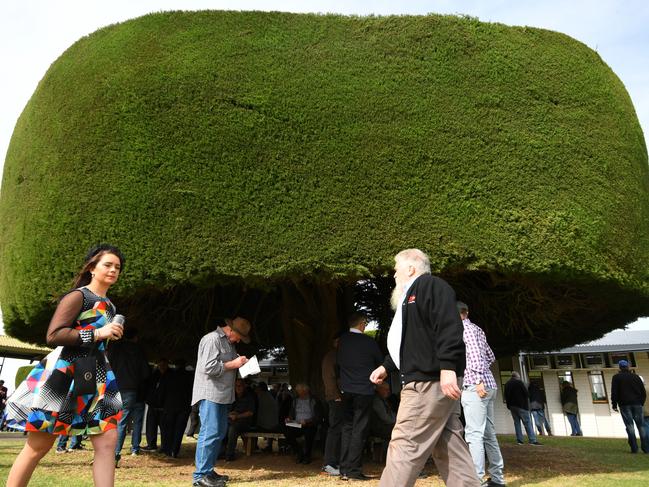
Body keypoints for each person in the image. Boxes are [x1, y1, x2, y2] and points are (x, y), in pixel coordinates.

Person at [4, 244, 125, 487]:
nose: (113, 270)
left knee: (108, 439)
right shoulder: (79, 296)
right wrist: (97, 333)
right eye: (107, 265)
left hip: (98, 374)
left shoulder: (110, 306)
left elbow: (97, 340)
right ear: (92, 267)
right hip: (65, 373)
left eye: (118, 267)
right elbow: (54, 335)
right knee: (39, 445)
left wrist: (106, 336)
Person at [369, 248, 479, 487]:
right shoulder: (410, 297)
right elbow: (413, 340)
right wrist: (387, 366)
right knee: (448, 445)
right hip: (431, 380)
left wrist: (448, 367)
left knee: (405, 443)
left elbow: (449, 326)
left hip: (427, 382)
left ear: (411, 268)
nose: (394, 274)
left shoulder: (430, 286)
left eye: (396, 269)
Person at [191, 317, 251, 487]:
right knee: (209, 433)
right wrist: (233, 363)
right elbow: (208, 367)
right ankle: (200, 476)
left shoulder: (229, 344)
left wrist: (240, 364)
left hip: (223, 395)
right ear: (231, 330)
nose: (239, 340)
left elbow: (225, 365)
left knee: (218, 433)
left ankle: (208, 471)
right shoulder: (212, 339)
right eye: (239, 336)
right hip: (210, 393)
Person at [458, 302, 506, 486]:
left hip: (475, 386)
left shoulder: (464, 330)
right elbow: (490, 356)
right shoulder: (477, 329)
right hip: (489, 385)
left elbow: (476, 355)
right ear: (467, 312)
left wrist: (477, 380)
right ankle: (497, 478)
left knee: (474, 434)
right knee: (488, 434)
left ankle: (475, 480)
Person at [337, 312, 383, 481]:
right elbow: (379, 362)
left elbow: (338, 363)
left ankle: (343, 469)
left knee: (347, 428)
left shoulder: (342, 340)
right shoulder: (369, 342)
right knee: (359, 429)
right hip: (364, 390)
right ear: (362, 323)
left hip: (346, 390)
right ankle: (354, 470)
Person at [107, 327, 150, 464]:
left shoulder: (115, 348)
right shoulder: (138, 350)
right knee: (129, 422)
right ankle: (132, 449)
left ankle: (112, 452)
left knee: (114, 421)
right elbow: (145, 373)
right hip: (131, 389)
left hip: (114, 386)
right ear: (136, 337)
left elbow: (108, 364)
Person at [611, 359, 648, 453]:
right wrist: (641, 402)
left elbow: (614, 392)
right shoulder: (636, 377)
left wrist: (614, 404)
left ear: (619, 367)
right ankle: (646, 448)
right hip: (637, 404)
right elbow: (643, 392)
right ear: (628, 367)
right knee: (641, 426)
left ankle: (634, 448)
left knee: (629, 426)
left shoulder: (616, 377)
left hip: (624, 405)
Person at [160, 359, 194, 458]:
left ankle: (167, 449)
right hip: (184, 406)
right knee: (179, 430)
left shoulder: (169, 375)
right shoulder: (189, 376)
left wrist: (161, 403)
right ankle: (174, 450)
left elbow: (162, 390)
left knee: (169, 428)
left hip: (170, 405)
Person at [321, 331, 343, 476]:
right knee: (335, 429)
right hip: (336, 397)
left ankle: (333, 461)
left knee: (338, 429)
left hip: (338, 397)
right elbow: (330, 378)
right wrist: (336, 396)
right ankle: (329, 463)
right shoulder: (332, 356)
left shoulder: (336, 356)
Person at [283, 383, 321, 464]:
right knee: (287, 432)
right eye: (298, 391)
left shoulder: (313, 400)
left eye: (300, 391)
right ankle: (299, 452)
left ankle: (307, 456)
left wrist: (307, 421)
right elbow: (291, 413)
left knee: (309, 434)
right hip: (297, 424)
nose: (298, 393)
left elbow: (317, 417)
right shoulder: (295, 400)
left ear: (305, 391)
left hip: (309, 425)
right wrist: (289, 419)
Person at [504, 372, 541, 446]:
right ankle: (532, 440)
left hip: (512, 406)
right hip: (521, 406)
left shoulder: (507, 384)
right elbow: (527, 394)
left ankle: (520, 440)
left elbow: (505, 395)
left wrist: (509, 405)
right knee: (527, 423)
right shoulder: (519, 382)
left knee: (517, 423)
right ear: (517, 377)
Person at [142, 358, 170, 452]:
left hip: (164, 406)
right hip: (153, 404)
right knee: (151, 426)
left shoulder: (169, 375)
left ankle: (165, 446)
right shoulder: (154, 375)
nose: (161, 367)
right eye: (160, 365)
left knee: (165, 428)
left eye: (163, 365)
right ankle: (151, 444)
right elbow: (149, 387)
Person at [224, 379, 256, 460]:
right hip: (231, 420)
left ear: (244, 386)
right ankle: (220, 452)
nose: (238, 388)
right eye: (236, 386)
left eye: (240, 385)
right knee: (222, 426)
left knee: (232, 429)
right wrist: (230, 414)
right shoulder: (232, 397)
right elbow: (226, 410)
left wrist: (238, 416)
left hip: (245, 421)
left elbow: (250, 412)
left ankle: (229, 455)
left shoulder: (249, 397)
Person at [253, 381, 279, 451]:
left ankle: (253, 446)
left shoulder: (260, 396)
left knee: (253, 425)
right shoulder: (269, 396)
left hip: (265, 426)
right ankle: (269, 445)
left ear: (260, 389)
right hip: (274, 424)